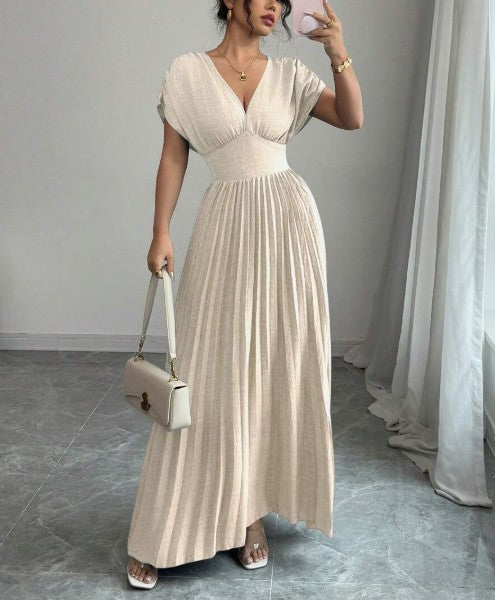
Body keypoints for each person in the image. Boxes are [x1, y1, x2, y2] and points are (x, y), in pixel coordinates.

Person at [126, 0, 363, 589]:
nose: (274, 6)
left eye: (282, 1)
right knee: (210, 371)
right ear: (231, 0)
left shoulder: (290, 75)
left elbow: (352, 117)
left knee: (272, 370)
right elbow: (173, 156)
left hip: (289, 227)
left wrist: (338, 51)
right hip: (226, 223)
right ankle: (162, 530)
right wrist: (160, 231)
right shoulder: (187, 72)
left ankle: (250, 514)